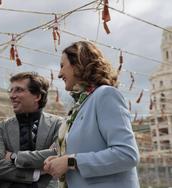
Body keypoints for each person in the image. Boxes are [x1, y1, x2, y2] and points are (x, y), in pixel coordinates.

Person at [44, 41, 140, 188]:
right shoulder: (80, 105)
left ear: (78, 64)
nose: (59, 74)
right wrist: (59, 160)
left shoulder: (105, 95)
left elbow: (127, 155)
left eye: (62, 66)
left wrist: (70, 162)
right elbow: (85, 152)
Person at [0, 72, 62, 188]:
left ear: (37, 96)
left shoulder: (58, 124)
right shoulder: (3, 127)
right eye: (11, 90)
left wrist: (14, 157)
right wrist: (35, 173)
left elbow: (59, 155)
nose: (12, 95)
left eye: (19, 90)